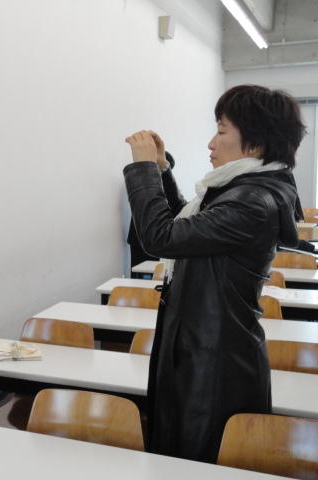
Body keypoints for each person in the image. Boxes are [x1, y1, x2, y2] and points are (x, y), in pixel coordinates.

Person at [122, 85, 306, 463]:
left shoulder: (251, 201)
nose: (211, 142)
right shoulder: (240, 189)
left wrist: (142, 170)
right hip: (200, 347)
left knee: (199, 460)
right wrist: (162, 170)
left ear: (255, 144)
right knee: (179, 456)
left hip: (215, 362)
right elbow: (185, 228)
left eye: (221, 131)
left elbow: (161, 237)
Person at [126, 151, 184, 269]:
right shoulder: (150, 185)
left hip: (151, 236)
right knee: (140, 271)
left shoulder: (160, 185)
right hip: (142, 236)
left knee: (148, 270)